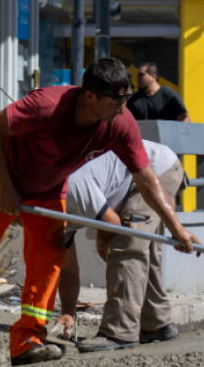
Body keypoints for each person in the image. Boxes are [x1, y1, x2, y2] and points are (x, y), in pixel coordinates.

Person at [0, 58, 200, 367]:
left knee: (48, 262)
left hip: (47, 189)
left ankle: (28, 341)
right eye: (115, 101)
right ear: (89, 96)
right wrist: (6, 187)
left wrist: (177, 228)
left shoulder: (120, 122)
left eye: (126, 99)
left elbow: (146, 178)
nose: (122, 109)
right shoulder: (46, 106)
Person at [53, 140, 186, 351]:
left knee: (127, 244)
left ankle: (119, 332)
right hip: (136, 175)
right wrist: (69, 314)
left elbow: (112, 223)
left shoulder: (72, 187)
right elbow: (68, 270)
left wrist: (101, 242)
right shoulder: (49, 219)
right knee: (144, 250)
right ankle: (157, 323)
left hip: (154, 169)